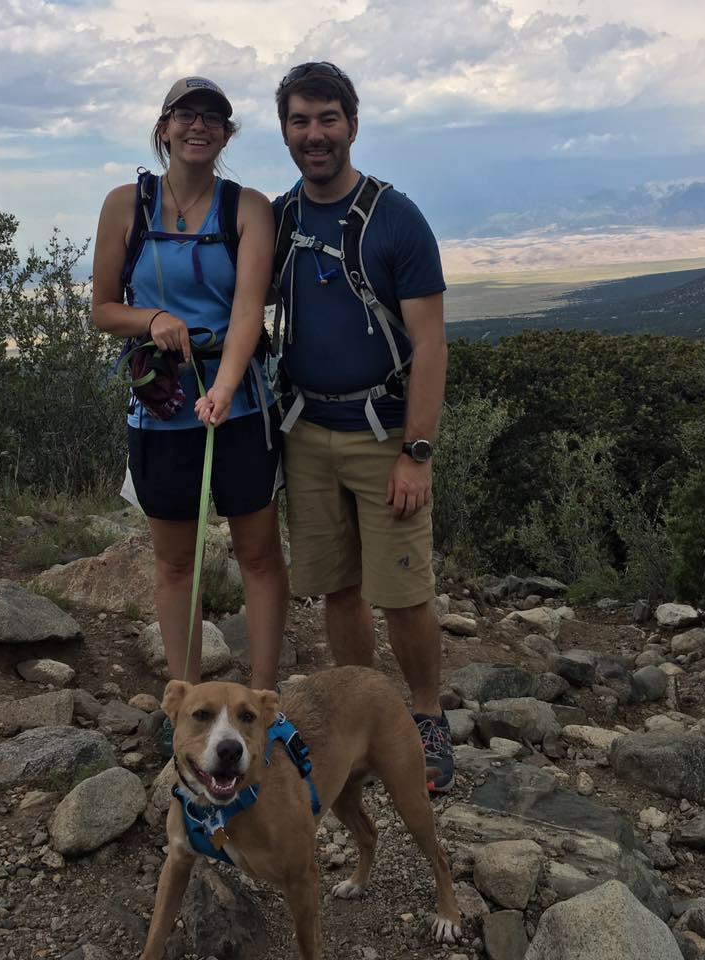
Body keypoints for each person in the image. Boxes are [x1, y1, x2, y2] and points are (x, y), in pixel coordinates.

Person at [271, 62, 454, 792]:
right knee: (338, 589)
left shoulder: (396, 219)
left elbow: (432, 345)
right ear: (285, 129)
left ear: (352, 121)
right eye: (300, 121)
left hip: (385, 437)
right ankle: (358, 720)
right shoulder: (278, 219)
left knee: (403, 593)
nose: (314, 135)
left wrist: (417, 452)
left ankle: (427, 717)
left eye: (327, 119)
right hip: (304, 430)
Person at [91, 77, 289, 728]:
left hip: (238, 406)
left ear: (226, 134)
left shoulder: (247, 208)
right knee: (176, 563)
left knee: (259, 555)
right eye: (186, 115)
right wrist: (152, 319)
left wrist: (227, 387)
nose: (198, 126)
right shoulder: (126, 205)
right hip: (159, 406)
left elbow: (246, 311)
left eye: (213, 118)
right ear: (164, 127)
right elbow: (103, 310)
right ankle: (189, 706)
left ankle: (261, 701)